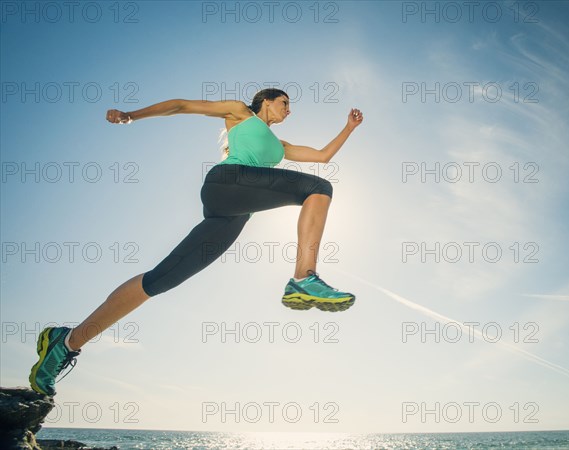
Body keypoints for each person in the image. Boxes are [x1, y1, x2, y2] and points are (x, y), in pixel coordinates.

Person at [29, 88, 364, 396]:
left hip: (232, 215)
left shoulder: (281, 146)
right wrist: (132, 115)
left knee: (161, 280)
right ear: (265, 101)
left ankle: (65, 342)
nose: (289, 110)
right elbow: (181, 105)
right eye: (285, 103)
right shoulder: (239, 113)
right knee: (319, 189)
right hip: (226, 184)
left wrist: (349, 127)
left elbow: (321, 156)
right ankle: (303, 278)